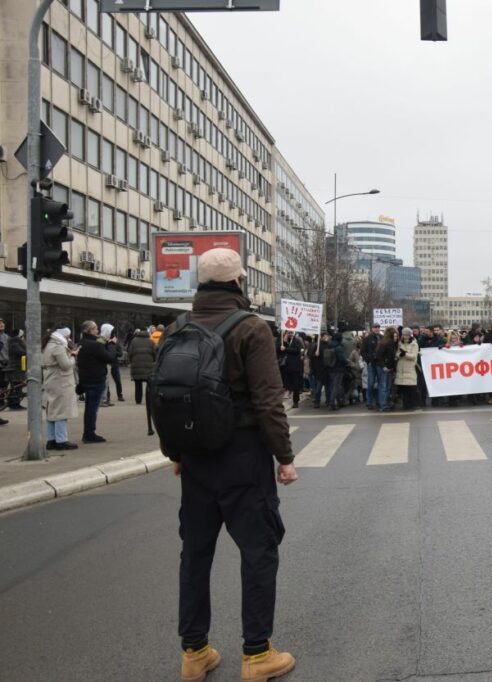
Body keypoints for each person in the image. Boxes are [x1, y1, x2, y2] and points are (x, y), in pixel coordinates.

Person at [163, 248, 296, 682]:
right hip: (242, 456)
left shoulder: (178, 326)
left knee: (195, 555)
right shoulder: (250, 328)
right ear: (239, 282)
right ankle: (257, 655)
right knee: (258, 552)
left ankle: (194, 652)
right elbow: (267, 398)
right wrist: (285, 457)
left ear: (200, 284)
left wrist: (176, 453)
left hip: (196, 458)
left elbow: (168, 396)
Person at [77, 320, 118, 443]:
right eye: (95, 328)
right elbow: (110, 357)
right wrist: (112, 345)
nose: (97, 331)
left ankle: (88, 432)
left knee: (89, 407)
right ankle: (89, 433)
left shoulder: (83, 342)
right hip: (96, 379)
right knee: (92, 408)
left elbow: (97, 349)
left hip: (85, 378)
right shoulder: (95, 344)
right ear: (89, 330)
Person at [42, 327, 78, 450]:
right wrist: (73, 355)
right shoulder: (58, 347)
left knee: (52, 410)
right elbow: (66, 365)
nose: (69, 339)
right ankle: (61, 440)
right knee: (61, 411)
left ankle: (51, 439)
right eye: (68, 337)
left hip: (52, 379)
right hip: (61, 381)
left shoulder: (49, 345)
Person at [277, 331, 304, 408]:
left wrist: (286, 349)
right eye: (288, 333)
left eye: (291, 333)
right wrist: (283, 341)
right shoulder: (284, 341)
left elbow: (297, 350)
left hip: (295, 366)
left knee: (295, 385)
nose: (290, 334)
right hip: (286, 366)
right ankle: (287, 394)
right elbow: (278, 348)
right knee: (287, 384)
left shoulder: (297, 341)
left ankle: (296, 401)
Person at [395, 327, 420, 410]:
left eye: (407, 335)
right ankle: (406, 404)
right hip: (401, 367)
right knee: (404, 388)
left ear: (410, 335)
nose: (405, 336)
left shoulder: (414, 344)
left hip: (410, 367)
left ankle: (413, 404)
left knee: (411, 387)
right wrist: (399, 355)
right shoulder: (400, 343)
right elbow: (397, 354)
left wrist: (405, 354)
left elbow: (413, 356)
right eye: (404, 335)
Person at [99, 323, 125, 404]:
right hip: (106, 364)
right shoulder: (103, 340)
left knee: (118, 380)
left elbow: (120, 353)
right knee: (107, 381)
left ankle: (120, 395)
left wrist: (113, 347)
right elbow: (106, 353)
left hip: (114, 364)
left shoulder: (114, 341)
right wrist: (111, 344)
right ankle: (107, 397)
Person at [375, 327, 398, 412]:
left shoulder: (391, 343)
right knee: (383, 387)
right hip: (384, 368)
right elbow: (379, 356)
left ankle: (385, 404)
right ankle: (383, 405)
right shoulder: (385, 344)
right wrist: (384, 366)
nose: (396, 338)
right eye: (395, 336)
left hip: (389, 368)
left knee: (387, 387)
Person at [5, 329, 27, 410]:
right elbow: (21, 352)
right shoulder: (14, 343)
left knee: (17, 386)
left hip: (18, 367)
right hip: (15, 368)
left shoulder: (15, 342)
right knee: (15, 386)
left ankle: (16, 403)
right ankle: (14, 404)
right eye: (22, 336)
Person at [362, 323, 382, 410]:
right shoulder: (367, 339)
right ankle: (369, 402)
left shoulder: (381, 338)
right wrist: (368, 360)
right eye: (375, 327)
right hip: (371, 364)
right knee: (370, 384)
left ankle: (378, 400)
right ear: (372, 328)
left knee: (380, 384)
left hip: (380, 363)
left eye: (378, 327)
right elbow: (363, 351)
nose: (377, 329)